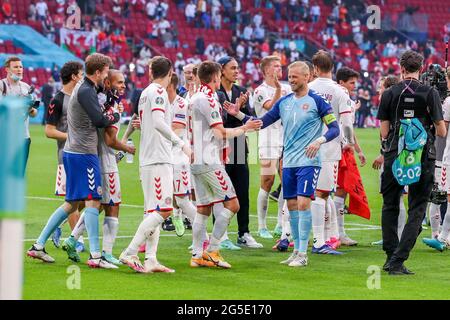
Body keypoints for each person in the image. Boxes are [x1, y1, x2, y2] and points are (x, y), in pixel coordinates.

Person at [225, 61, 340, 267]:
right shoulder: (285, 102)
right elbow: (262, 122)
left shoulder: (318, 101)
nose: (291, 79)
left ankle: (303, 254)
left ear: (307, 77)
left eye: (295, 76)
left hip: (309, 161)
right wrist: (238, 115)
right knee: (293, 206)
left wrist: (319, 140)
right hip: (288, 162)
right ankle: (296, 251)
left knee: (304, 203)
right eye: (290, 76)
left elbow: (334, 128)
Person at [27, 53, 121, 268]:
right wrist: (115, 116)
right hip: (83, 154)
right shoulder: (86, 90)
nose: (107, 75)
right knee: (93, 200)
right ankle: (96, 256)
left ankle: (38, 245)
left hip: (73, 152)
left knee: (71, 203)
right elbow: (99, 120)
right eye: (106, 71)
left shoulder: (86, 88)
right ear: (97, 72)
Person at [119, 57, 190, 273]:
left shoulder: (146, 92)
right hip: (158, 158)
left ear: (151, 72)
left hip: (150, 158)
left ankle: (151, 259)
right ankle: (130, 252)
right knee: (165, 209)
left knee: (152, 210)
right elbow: (159, 123)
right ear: (169, 74)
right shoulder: (159, 92)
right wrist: (181, 143)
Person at [377, 50, 446, 275]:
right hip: (423, 156)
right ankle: (398, 259)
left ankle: (390, 256)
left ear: (401, 68)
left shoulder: (389, 93)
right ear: (421, 68)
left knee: (390, 205)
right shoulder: (430, 92)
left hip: (395, 153)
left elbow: (384, 132)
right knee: (417, 207)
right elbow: (441, 130)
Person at [189, 60, 262, 268]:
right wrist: (245, 128)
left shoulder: (194, 97)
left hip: (196, 158)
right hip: (208, 160)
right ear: (215, 77)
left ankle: (196, 254)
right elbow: (219, 132)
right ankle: (212, 250)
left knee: (203, 208)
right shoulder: (209, 98)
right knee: (233, 204)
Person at [63, 69, 136, 265]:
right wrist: (128, 148)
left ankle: (72, 239)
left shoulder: (100, 102)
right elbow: (110, 140)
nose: (123, 86)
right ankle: (105, 253)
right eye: (119, 82)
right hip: (106, 163)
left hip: (98, 158)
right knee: (112, 207)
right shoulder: (110, 108)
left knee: (99, 205)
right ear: (108, 83)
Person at [308, 50, 355, 254]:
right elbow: (346, 121)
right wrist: (348, 142)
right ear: (332, 68)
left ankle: (325, 237)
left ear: (315, 69)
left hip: (306, 147)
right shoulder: (339, 91)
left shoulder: (307, 88)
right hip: (329, 147)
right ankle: (320, 241)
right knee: (322, 193)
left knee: (315, 193)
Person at [217, 56, 262, 249]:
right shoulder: (215, 93)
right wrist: (231, 113)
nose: (237, 71)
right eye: (233, 68)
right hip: (219, 147)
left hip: (239, 146)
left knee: (242, 190)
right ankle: (222, 234)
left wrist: (239, 111)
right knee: (221, 191)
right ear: (222, 70)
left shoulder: (241, 91)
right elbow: (216, 123)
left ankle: (244, 233)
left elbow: (251, 119)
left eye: (238, 68)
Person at [44, 61, 85, 250]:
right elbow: (49, 131)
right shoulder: (57, 100)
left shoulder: (80, 96)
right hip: (66, 157)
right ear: (74, 76)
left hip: (83, 154)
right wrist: (70, 136)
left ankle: (58, 223)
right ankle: (77, 240)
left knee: (84, 199)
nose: (83, 77)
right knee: (73, 200)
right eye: (81, 74)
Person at [253, 55, 291, 239]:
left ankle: (280, 223)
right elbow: (271, 109)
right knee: (267, 182)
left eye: (280, 66)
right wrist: (277, 90)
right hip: (268, 140)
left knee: (287, 181)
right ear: (266, 70)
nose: (279, 68)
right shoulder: (259, 91)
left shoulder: (287, 88)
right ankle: (261, 226)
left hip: (286, 140)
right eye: (275, 66)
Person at [331, 66, 367, 247]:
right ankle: (337, 233)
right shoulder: (340, 98)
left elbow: (349, 130)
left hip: (344, 149)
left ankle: (337, 232)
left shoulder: (346, 100)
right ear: (341, 83)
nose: (355, 86)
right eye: (351, 82)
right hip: (337, 149)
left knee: (342, 190)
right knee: (337, 190)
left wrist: (358, 150)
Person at [371, 75, 405, 246]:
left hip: (394, 157)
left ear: (388, 88)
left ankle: (396, 236)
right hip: (391, 155)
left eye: (381, 86)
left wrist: (383, 155)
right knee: (391, 197)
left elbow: (392, 135)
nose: (378, 89)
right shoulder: (392, 103)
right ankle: (390, 236)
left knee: (396, 197)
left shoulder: (392, 106)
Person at [422, 69, 450, 251]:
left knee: (446, 195)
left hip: (448, 156)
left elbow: (442, 129)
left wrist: (434, 113)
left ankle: (442, 236)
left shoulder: (448, 101)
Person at [167, 73, 197, 236]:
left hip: (179, 157)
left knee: (184, 200)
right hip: (164, 156)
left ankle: (202, 236)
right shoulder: (162, 103)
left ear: (170, 85)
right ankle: (147, 240)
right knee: (160, 198)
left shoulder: (181, 103)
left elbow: (177, 130)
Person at [0, 56, 38, 175]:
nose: (19, 69)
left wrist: (30, 108)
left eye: (21, 67)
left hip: (23, 137)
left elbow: (34, 114)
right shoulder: (1, 85)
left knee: (18, 175)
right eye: (15, 67)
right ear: (7, 69)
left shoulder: (26, 87)